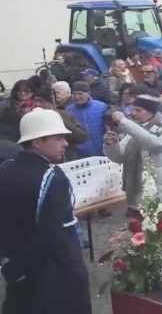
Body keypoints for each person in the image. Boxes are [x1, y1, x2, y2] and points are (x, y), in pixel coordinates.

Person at [0, 109, 92, 314]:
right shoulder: (53, 177)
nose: (65, 143)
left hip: (18, 276)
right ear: (37, 142)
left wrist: (12, 267)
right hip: (56, 277)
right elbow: (52, 236)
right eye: (58, 138)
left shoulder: (6, 169)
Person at [104, 96, 162, 214]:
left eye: (138, 110)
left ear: (150, 111)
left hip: (159, 187)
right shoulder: (134, 128)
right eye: (133, 109)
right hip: (139, 187)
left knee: (160, 227)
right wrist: (112, 145)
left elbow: (155, 143)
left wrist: (125, 123)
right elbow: (119, 157)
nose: (134, 113)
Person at [32, 86, 87, 162]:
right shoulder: (32, 119)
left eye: (41, 101)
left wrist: (60, 120)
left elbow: (81, 137)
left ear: (51, 101)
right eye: (35, 101)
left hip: (67, 160)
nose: (37, 104)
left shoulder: (66, 115)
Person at [64, 81, 108, 158]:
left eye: (80, 93)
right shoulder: (68, 111)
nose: (77, 97)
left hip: (103, 152)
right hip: (81, 156)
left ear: (88, 93)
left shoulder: (101, 107)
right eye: (74, 94)